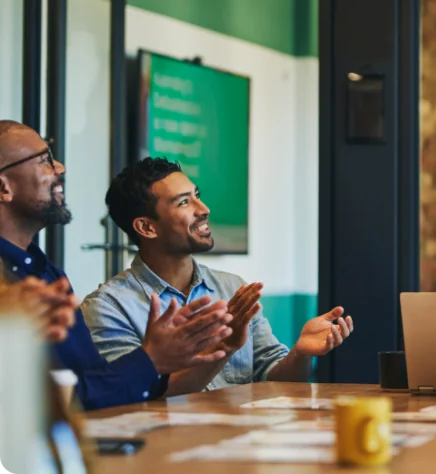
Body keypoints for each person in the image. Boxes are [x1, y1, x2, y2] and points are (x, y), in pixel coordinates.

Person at [0, 120, 234, 410]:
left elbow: (91, 387)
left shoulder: (47, 273)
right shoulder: (100, 302)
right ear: (4, 188)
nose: (60, 167)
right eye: (44, 160)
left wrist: (162, 359)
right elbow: (39, 404)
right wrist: (150, 359)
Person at [81, 157, 353, 394]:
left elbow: (276, 380)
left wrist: (301, 353)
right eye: (184, 202)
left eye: (197, 194)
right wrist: (224, 347)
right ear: (147, 227)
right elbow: (138, 397)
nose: (204, 209)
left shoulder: (232, 287)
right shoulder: (108, 307)